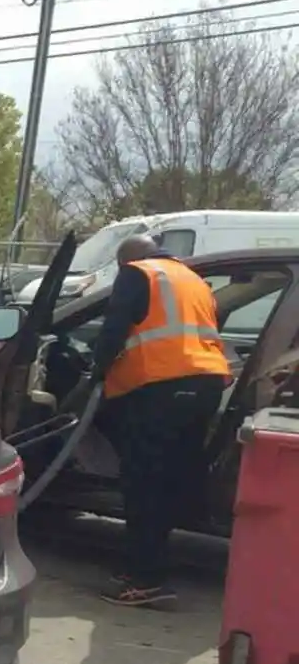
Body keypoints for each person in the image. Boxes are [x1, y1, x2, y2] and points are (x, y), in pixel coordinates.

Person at [88, 233, 232, 608]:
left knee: (143, 483)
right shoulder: (194, 279)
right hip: (206, 386)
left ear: (127, 260)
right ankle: (145, 563)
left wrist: (94, 373)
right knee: (169, 480)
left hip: (161, 389)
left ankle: (146, 579)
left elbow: (113, 331)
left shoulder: (137, 273)